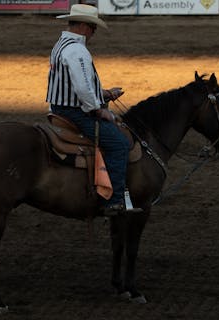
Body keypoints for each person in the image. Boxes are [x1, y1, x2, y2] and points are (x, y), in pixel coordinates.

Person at [46, 4, 138, 216]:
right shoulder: (77, 50)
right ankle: (113, 201)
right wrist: (99, 109)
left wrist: (103, 93)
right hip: (76, 112)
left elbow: (74, 83)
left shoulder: (61, 44)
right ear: (84, 26)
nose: (94, 32)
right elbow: (82, 88)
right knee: (119, 144)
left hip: (61, 108)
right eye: (93, 27)